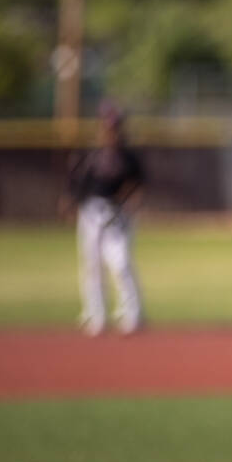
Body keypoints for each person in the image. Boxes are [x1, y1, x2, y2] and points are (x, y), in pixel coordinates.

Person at [60, 101, 146, 336]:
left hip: (117, 214)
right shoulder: (90, 153)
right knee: (92, 265)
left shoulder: (128, 156)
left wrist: (127, 206)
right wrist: (69, 202)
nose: (111, 130)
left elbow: (137, 185)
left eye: (115, 125)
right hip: (91, 213)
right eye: (107, 125)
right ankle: (95, 316)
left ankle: (133, 314)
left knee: (121, 263)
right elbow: (76, 183)